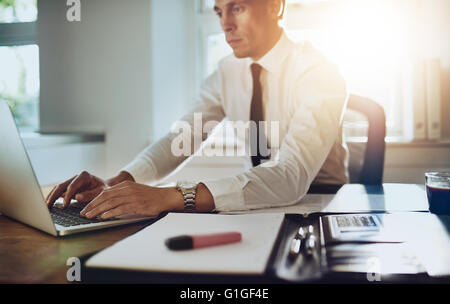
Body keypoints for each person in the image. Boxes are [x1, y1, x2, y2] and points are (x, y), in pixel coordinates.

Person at [46, 0, 348, 220]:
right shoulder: (228, 72)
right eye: (219, 11)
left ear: (275, 6)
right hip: (257, 203)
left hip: (319, 205)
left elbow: (290, 176)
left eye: (237, 8)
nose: (225, 24)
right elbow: (183, 137)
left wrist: (170, 195)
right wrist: (119, 182)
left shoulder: (317, 72)